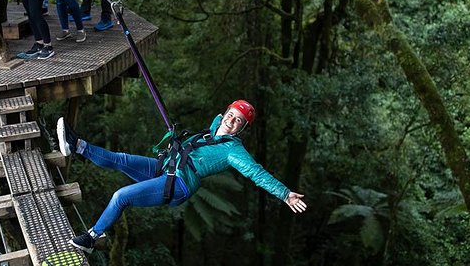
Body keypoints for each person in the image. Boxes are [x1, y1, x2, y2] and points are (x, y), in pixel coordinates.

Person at [57, 100, 307, 253]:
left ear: (242, 128)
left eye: (238, 121)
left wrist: (284, 194)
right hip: (167, 165)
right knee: (121, 159)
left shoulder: (234, 151)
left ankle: (90, 239)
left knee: (120, 196)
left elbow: (256, 173)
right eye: (231, 114)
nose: (231, 120)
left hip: (178, 183)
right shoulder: (213, 129)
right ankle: (76, 145)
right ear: (226, 112)